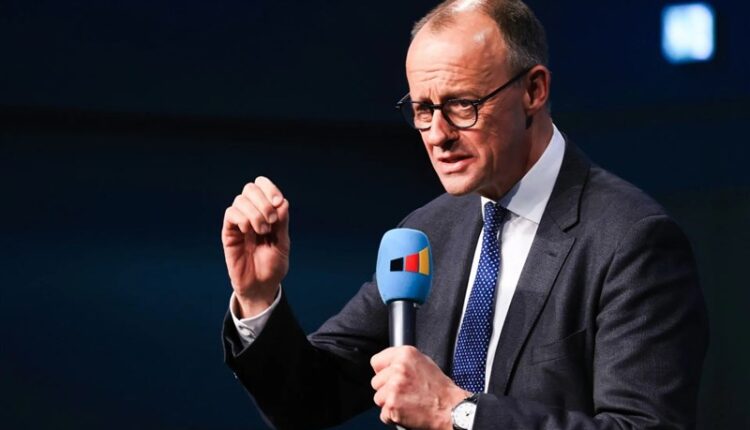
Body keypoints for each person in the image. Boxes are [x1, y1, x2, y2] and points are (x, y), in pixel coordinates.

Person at [220, 0, 708, 429]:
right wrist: (258, 297)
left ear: (533, 90)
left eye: (462, 105)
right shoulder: (426, 232)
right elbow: (309, 400)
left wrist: (458, 413)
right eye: (422, 109)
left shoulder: (631, 239)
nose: (438, 134)